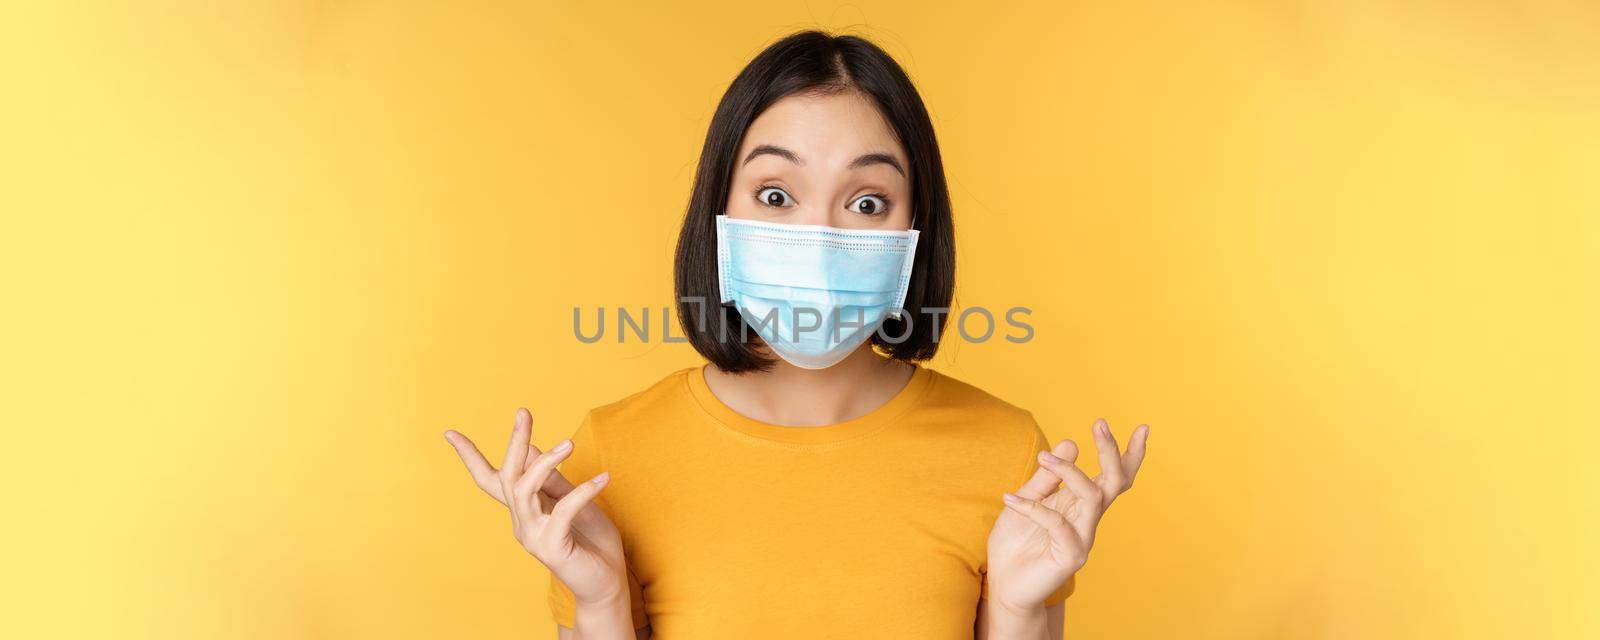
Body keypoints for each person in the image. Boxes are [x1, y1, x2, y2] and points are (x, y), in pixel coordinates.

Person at [444, 30, 1150, 640]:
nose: (817, 239)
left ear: (914, 232)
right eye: (776, 196)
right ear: (718, 209)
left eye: (867, 201)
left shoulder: (1006, 459)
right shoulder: (612, 459)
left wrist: (1020, 615)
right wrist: (601, 607)